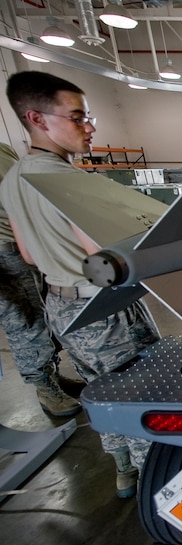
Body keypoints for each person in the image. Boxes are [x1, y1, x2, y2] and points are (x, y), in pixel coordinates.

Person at [0, 71, 160, 498]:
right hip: (106, 309)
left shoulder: (14, 179)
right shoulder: (73, 182)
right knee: (139, 398)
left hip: (62, 307)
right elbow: (103, 250)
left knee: (101, 395)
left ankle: (124, 472)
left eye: (88, 117)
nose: (89, 127)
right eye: (77, 117)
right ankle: (156, 487)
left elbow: (28, 255)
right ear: (36, 118)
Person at [0, 143, 81, 417]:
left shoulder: (5, 150)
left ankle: (52, 376)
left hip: (21, 245)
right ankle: (44, 386)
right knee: (25, 323)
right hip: (3, 254)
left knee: (42, 316)